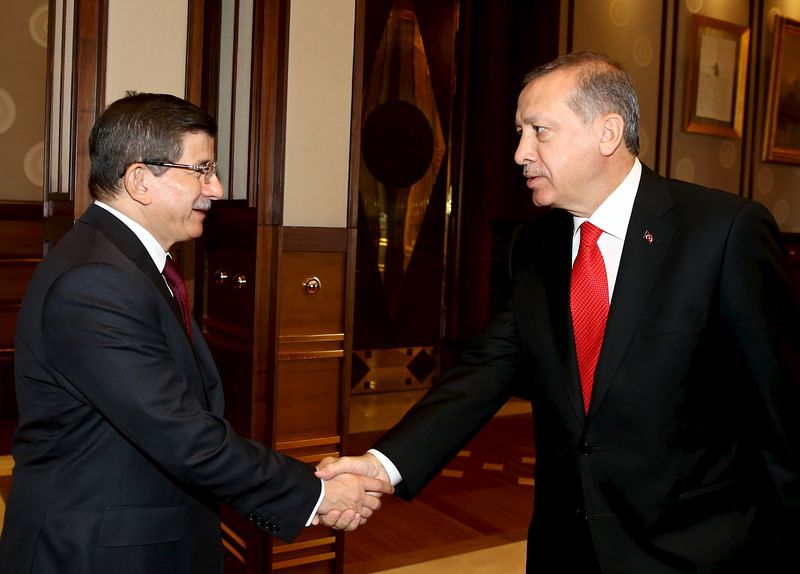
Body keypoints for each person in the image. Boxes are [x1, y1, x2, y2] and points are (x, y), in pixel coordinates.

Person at [315, 51, 800, 572]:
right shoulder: (534, 246)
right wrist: (382, 466)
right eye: (520, 131)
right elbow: (486, 370)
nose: (521, 152)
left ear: (607, 133)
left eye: (539, 130)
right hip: (566, 549)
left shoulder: (723, 232)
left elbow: (782, 416)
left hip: (696, 551)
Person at [0, 93, 391, 574]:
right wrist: (318, 494)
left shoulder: (124, 264)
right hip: (96, 551)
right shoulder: (96, 281)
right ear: (141, 180)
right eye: (202, 170)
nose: (218, 187)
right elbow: (180, 433)